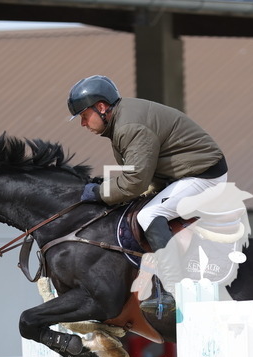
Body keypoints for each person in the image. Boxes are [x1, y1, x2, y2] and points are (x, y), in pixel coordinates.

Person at [67, 75, 228, 255]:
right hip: (184, 174)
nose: (82, 123)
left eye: (84, 115)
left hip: (203, 177)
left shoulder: (129, 126)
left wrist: (99, 192)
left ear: (101, 107)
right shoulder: (122, 119)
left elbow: (135, 181)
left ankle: (176, 277)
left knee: (148, 215)